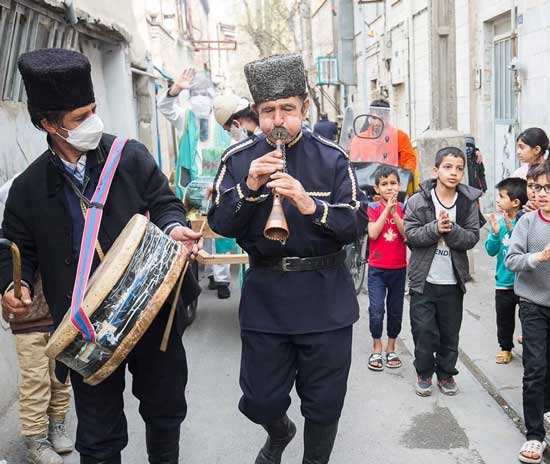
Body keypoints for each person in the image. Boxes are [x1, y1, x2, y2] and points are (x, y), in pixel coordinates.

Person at [0, 48, 201, 464]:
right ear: (48, 125)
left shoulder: (129, 157)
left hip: (151, 313)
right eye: (79, 118)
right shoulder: (28, 188)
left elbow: (165, 203)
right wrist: (12, 283)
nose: (92, 122)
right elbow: (13, 247)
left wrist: (174, 228)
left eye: (93, 111)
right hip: (84, 329)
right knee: (98, 437)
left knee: (164, 415)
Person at [208, 53, 364, 464]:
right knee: (259, 399)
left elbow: (357, 223)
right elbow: (221, 224)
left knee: (324, 404)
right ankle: (279, 431)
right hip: (267, 296)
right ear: (257, 113)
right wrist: (250, 185)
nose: (278, 120)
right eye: (268, 111)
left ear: (304, 109)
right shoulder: (238, 160)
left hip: (325, 297)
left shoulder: (332, 158)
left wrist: (311, 206)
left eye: (287, 110)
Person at [1, 176, 73, 464]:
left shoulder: (59, 232)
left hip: (59, 318)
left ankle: (56, 425)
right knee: (35, 381)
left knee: (61, 376)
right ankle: (36, 440)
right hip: (28, 321)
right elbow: (9, 276)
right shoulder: (11, 246)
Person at [404, 146, 482, 397]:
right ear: (436, 170)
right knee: (424, 331)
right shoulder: (418, 200)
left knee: (450, 333)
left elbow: (471, 237)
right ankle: (424, 372)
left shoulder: (468, 203)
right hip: (423, 280)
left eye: (459, 169)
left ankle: (446, 373)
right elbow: (411, 236)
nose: (454, 173)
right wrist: (435, 228)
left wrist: (452, 229)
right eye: (448, 167)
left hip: (452, 281)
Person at [158, 68, 233, 298]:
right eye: (195, 95)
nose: (200, 100)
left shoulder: (221, 121)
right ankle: (205, 271)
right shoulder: (185, 118)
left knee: (219, 228)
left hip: (217, 183)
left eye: (204, 94)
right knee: (197, 229)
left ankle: (221, 279)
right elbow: (165, 108)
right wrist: (176, 88)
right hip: (191, 186)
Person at [506, 162, 550, 464]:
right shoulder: (527, 222)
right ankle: (535, 436)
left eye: (547, 187)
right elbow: (512, 260)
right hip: (533, 304)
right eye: (536, 187)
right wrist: (538, 257)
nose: (541, 193)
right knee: (535, 368)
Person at [365, 165, 406, 372]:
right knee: (377, 309)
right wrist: (386, 211)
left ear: (399, 185)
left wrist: (395, 213)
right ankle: (376, 346)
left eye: (393, 183)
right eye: (384, 184)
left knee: (396, 310)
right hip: (377, 269)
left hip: (398, 268)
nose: (389, 187)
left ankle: (391, 346)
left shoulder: (404, 208)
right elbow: (373, 233)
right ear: (377, 188)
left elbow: (406, 234)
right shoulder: (372, 208)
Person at [485, 177, 527, 364]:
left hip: (525, 284)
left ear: (516, 202)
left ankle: (531, 345)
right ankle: (505, 348)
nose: (498, 200)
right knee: (504, 319)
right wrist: (495, 234)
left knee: (527, 318)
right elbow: (490, 250)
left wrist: (513, 230)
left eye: (502, 197)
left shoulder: (525, 224)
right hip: (503, 283)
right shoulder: (499, 224)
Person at [349, 99, 417, 173]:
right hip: (365, 182)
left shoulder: (400, 137)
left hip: (392, 181)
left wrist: (402, 179)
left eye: (381, 118)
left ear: (388, 118)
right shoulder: (359, 139)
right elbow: (352, 164)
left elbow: (409, 161)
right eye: (374, 118)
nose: (377, 123)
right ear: (369, 118)